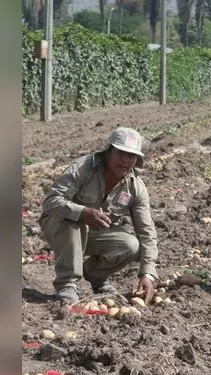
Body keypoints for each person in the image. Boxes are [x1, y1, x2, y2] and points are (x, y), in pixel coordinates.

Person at [39, 127, 159, 305]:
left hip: (94, 234)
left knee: (131, 245)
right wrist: (82, 212)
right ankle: (67, 284)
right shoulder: (83, 169)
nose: (126, 160)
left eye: (131, 156)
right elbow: (50, 202)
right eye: (121, 153)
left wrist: (147, 274)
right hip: (59, 226)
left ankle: (96, 275)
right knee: (74, 221)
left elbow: (146, 231)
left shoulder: (135, 187)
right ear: (108, 152)